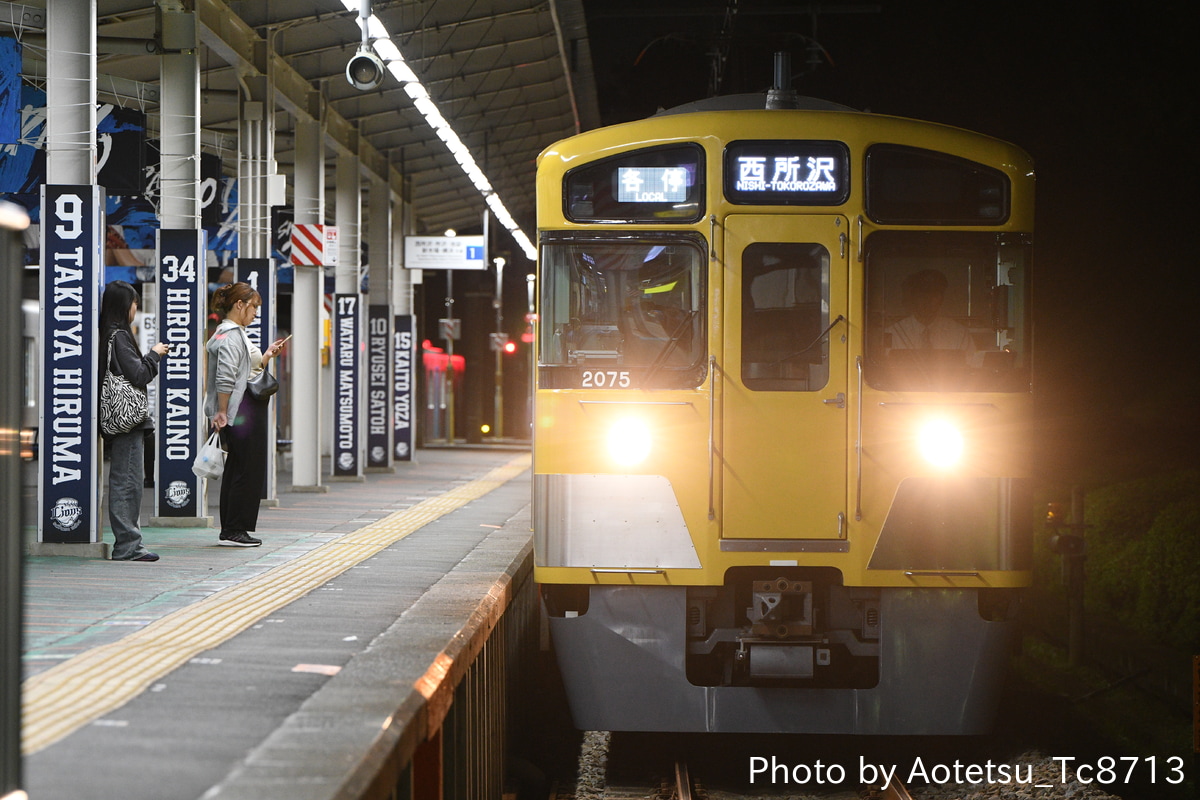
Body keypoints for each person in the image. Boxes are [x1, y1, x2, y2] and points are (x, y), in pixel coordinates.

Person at [204, 282, 287, 547]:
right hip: (241, 412)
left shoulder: (229, 333)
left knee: (238, 469)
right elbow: (226, 377)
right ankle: (235, 530)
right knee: (246, 470)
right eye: (253, 308)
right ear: (239, 305)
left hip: (240, 410)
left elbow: (242, 371)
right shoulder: (231, 335)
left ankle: (232, 528)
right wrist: (223, 412)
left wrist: (265, 357)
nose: (255, 314)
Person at [98, 280, 169, 562]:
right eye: (134, 303)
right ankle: (128, 545)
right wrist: (155, 355)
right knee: (128, 482)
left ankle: (129, 543)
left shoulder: (107, 334)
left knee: (127, 480)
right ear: (125, 306)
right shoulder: (120, 336)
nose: (136, 309)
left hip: (119, 419)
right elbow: (138, 375)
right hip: (127, 421)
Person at [885, 268, 979, 365]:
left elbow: (971, 368)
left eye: (934, 295)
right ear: (913, 298)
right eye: (922, 295)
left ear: (941, 299)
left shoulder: (960, 334)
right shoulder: (893, 334)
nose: (927, 301)